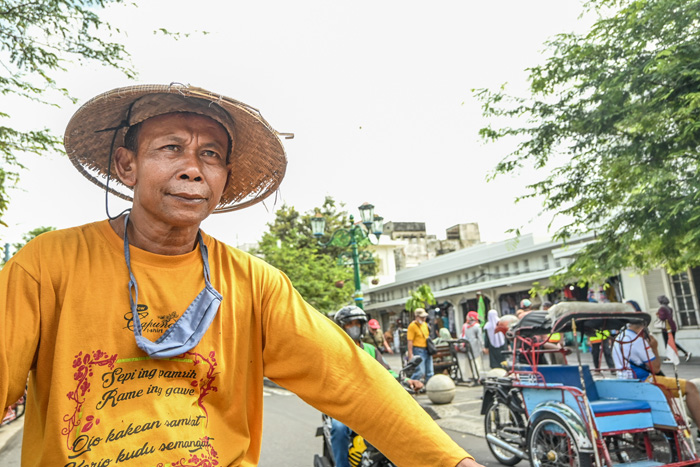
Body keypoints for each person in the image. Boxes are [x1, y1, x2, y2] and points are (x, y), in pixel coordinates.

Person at [0, 84, 480, 467]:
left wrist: (451, 462)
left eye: (210, 155)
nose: (192, 169)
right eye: (171, 148)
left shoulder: (256, 284)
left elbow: (352, 380)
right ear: (127, 166)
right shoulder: (47, 264)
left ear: (224, 177)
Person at [330, 306, 423, 467]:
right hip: (345, 407)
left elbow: (386, 372)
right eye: (349, 324)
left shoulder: (370, 350)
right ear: (342, 328)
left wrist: (407, 381)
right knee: (338, 429)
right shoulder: (335, 352)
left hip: (372, 404)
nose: (354, 327)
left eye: (357, 323)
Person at [612, 317, 700, 441]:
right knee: (690, 387)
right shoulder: (637, 340)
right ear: (644, 327)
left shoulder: (619, 338)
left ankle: (671, 424)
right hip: (642, 382)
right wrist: (654, 347)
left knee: (667, 390)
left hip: (625, 382)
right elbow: (656, 368)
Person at [657, 295, 692, 362]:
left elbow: (662, 318)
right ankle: (683, 353)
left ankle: (673, 356)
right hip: (672, 326)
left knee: (667, 343)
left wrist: (658, 315)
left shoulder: (662, 309)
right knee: (671, 342)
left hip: (666, 327)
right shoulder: (669, 308)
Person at [407, 308, 435, 382]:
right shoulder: (412, 326)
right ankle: (410, 384)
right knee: (420, 372)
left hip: (427, 349)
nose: (424, 319)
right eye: (422, 317)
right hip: (418, 350)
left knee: (430, 372)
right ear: (417, 317)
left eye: (424, 317)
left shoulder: (425, 325)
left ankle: (429, 387)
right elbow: (410, 341)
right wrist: (410, 355)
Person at [461, 311, 484, 377]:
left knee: (469, 360)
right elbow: (480, 338)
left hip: (468, 345)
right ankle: (477, 375)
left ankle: (470, 375)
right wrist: (482, 346)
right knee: (477, 361)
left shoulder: (465, 326)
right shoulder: (477, 326)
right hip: (476, 345)